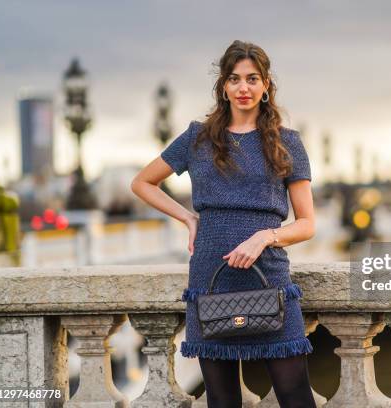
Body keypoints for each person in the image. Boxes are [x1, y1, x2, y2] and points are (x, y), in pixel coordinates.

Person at [131, 40, 317, 408]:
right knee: (221, 399)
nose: (243, 88)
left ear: (266, 86)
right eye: (234, 79)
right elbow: (141, 183)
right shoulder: (197, 139)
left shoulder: (287, 143)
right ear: (223, 86)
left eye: (252, 79)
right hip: (211, 279)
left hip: (270, 277)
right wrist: (187, 217)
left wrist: (265, 236)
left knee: (296, 396)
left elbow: (308, 224)